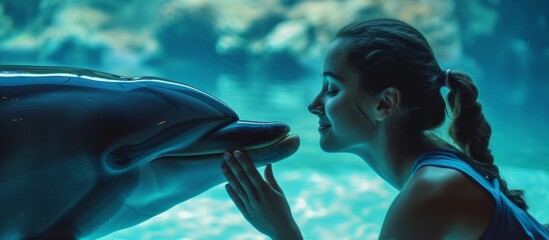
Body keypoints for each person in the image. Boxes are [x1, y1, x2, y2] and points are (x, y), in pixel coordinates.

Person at [220, 18, 549, 239]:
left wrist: (284, 231)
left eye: (332, 89)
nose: (314, 104)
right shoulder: (436, 162)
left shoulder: (433, 190)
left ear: (385, 104)